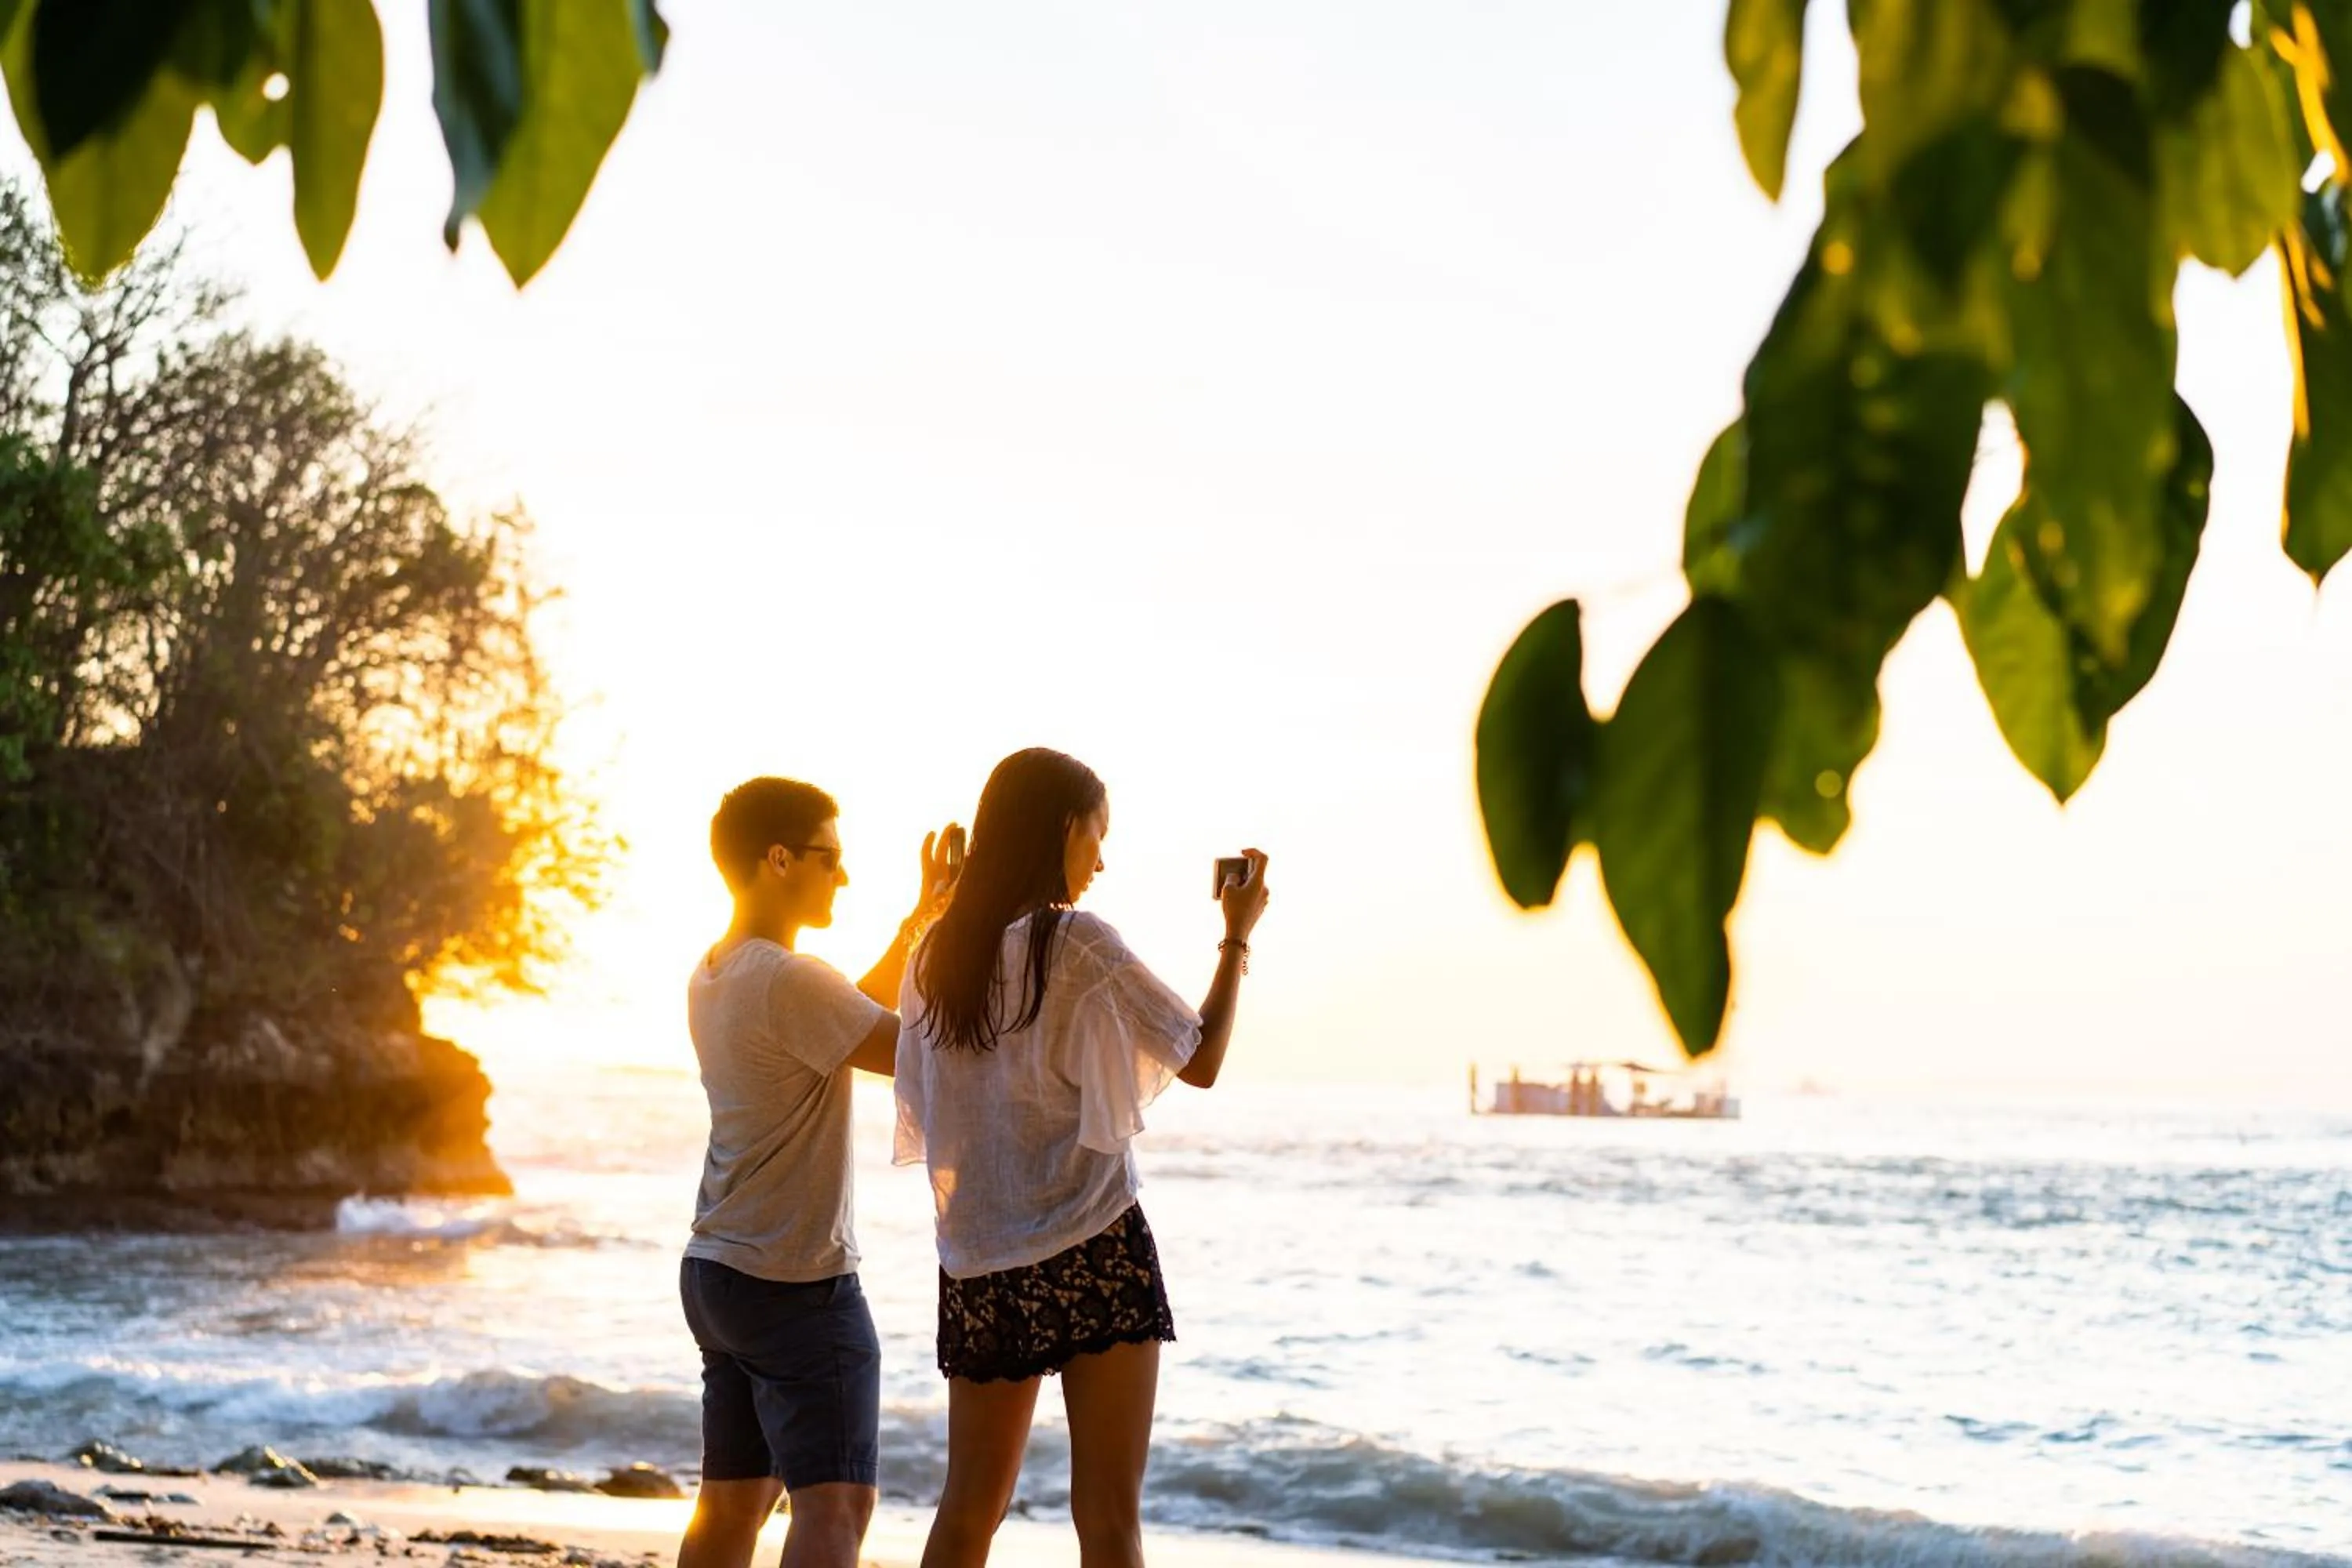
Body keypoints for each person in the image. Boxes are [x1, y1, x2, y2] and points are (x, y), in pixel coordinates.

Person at [893, 748, 1271, 1568]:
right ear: (1064, 826)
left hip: (981, 1263)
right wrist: (1235, 939)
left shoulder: (931, 960)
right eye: (1098, 834)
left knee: (966, 1514)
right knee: (1107, 1520)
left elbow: (928, 1107)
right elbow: (1196, 1058)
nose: (1100, 857)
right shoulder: (1078, 943)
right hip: (1095, 1245)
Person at [676, 776, 956, 1568]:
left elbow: (843, 1012)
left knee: (731, 1506)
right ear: (778, 858)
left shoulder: (718, 969)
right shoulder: (787, 978)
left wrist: (923, 919)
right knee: (836, 1510)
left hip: (719, 1273)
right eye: (829, 856)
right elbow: (918, 1051)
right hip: (794, 1282)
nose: (843, 874)